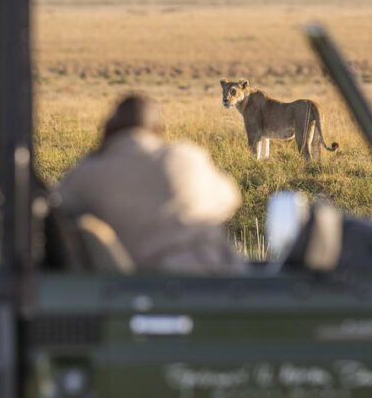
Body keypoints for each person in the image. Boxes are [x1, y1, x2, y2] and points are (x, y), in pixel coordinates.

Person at [56, 94, 244, 274]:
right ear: (158, 129)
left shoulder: (89, 172)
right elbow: (230, 198)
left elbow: (58, 206)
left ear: (108, 131)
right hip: (201, 281)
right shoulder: (183, 158)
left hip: (124, 285)